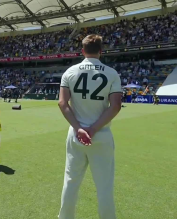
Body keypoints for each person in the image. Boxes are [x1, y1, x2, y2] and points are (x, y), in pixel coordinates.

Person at [58, 34, 122, 219]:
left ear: (83, 51)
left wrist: (79, 128)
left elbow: (63, 103)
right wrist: (93, 129)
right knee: (104, 187)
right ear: (101, 51)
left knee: (71, 182)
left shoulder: (70, 72)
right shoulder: (111, 73)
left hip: (76, 135)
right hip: (101, 135)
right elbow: (116, 105)